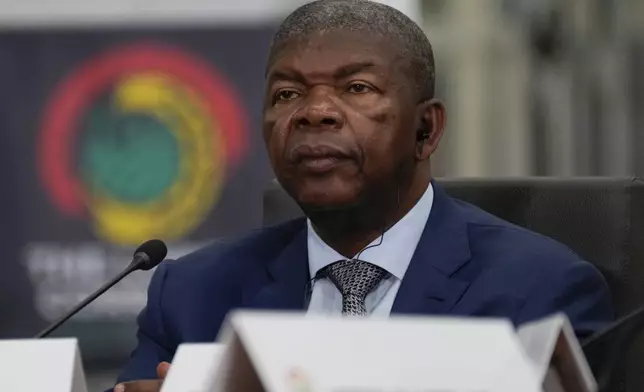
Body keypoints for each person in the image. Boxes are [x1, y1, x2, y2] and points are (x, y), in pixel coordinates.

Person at [111, 0, 614, 390]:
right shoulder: (190, 295)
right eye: (287, 94)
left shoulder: (539, 294)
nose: (314, 112)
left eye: (356, 88)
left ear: (426, 129)